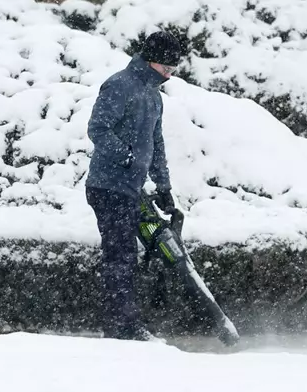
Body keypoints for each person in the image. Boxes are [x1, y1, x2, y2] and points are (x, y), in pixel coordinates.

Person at [85, 31, 182, 341]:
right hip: (107, 184)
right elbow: (98, 129)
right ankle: (121, 329)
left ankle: (125, 323)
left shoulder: (153, 97)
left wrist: (163, 186)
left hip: (129, 188)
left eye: (172, 70)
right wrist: (127, 159)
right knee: (120, 256)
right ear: (150, 60)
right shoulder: (120, 85)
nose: (169, 74)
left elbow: (156, 142)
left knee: (128, 255)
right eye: (166, 67)